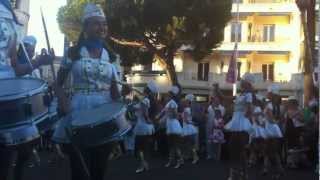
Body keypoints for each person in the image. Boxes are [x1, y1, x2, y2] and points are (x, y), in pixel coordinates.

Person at [53, 3, 129, 180]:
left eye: (104, 24)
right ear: (85, 27)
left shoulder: (112, 57)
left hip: (105, 113)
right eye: (96, 23)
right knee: (80, 169)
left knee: (99, 169)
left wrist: (122, 98)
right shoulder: (73, 53)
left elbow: (114, 92)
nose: (102, 27)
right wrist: (65, 104)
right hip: (79, 111)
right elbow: (57, 85)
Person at [224, 73, 254, 180]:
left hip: (242, 123)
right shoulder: (240, 95)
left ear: (247, 83)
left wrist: (248, 113)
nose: (241, 82)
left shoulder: (248, 95)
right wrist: (217, 90)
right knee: (232, 148)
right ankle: (234, 173)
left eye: (243, 81)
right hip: (236, 122)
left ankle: (244, 174)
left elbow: (250, 108)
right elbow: (228, 99)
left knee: (241, 150)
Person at [157, 86, 184, 169]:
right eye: (166, 96)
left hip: (174, 126)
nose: (166, 97)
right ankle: (171, 160)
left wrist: (172, 115)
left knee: (175, 145)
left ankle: (179, 160)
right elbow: (164, 113)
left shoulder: (172, 103)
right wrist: (159, 118)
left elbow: (175, 115)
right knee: (171, 145)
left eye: (167, 95)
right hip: (170, 126)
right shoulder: (168, 104)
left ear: (171, 96)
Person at [263, 101, 284, 179]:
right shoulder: (268, 111)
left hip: (272, 135)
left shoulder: (268, 111)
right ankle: (278, 170)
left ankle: (278, 171)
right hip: (270, 134)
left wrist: (274, 120)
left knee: (273, 154)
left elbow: (271, 120)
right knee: (269, 153)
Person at [182, 94, 199, 164]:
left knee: (189, 144)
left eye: (185, 101)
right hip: (189, 128)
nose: (184, 102)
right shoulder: (190, 109)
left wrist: (191, 123)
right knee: (189, 143)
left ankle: (195, 157)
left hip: (187, 128)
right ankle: (189, 156)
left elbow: (186, 120)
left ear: (188, 102)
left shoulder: (186, 109)